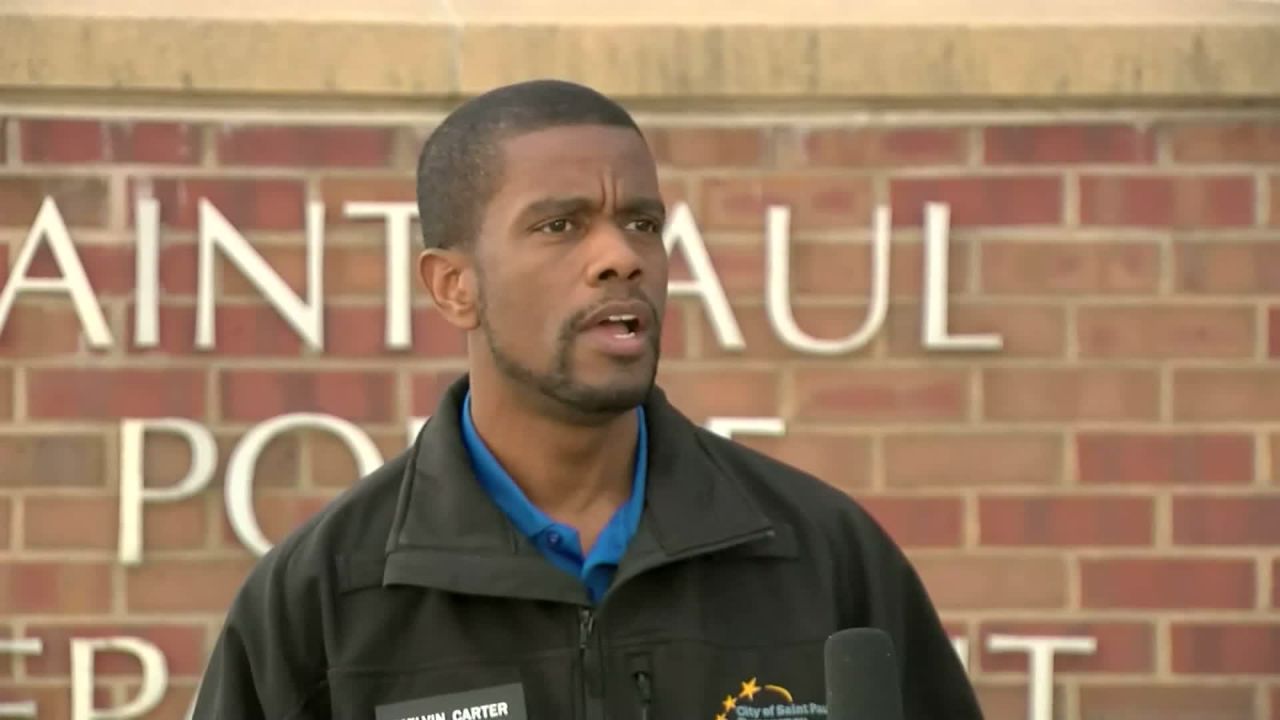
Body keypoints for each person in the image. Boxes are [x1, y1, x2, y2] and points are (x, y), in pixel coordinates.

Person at [191, 79, 984, 720]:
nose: (620, 258)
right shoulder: (325, 597)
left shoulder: (823, 556)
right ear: (454, 286)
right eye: (561, 225)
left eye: (641, 223)